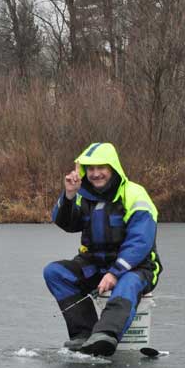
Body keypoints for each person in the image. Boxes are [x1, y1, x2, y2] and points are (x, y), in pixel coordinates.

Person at [43, 142, 162, 356]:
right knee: (55, 272)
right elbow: (67, 223)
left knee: (128, 283)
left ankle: (105, 335)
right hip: (94, 265)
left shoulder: (135, 194)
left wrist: (115, 272)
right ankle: (84, 334)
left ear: (113, 168)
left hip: (136, 268)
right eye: (90, 169)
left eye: (101, 168)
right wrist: (69, 195)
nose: (96, 174)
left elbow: (140, 242)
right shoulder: (83, 195)